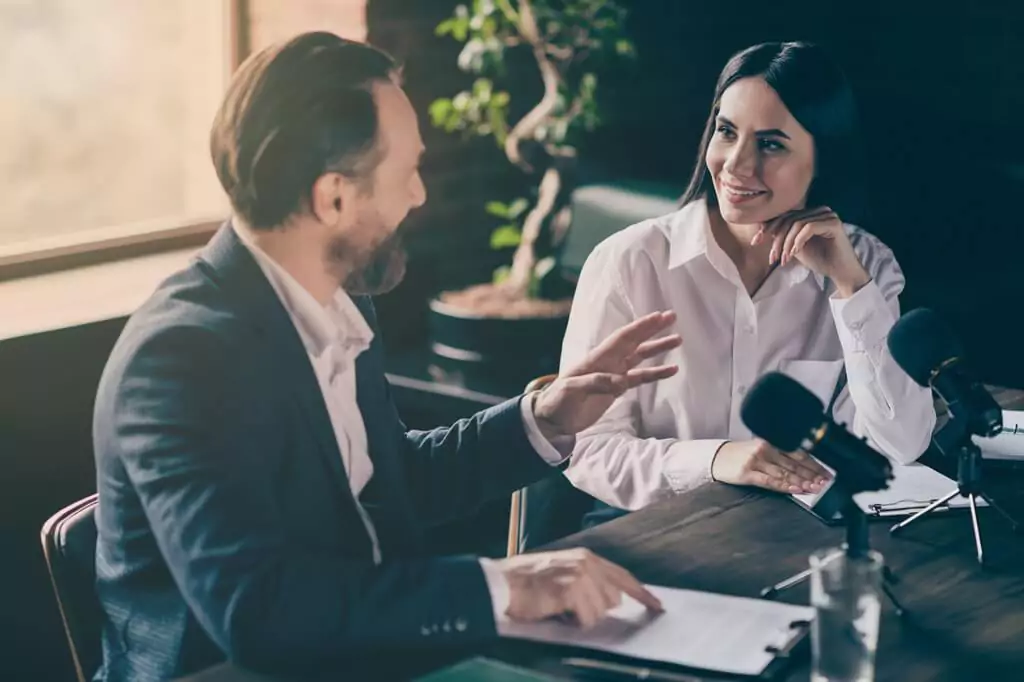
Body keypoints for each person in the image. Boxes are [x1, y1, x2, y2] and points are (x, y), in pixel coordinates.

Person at [92, 33, 680, 682]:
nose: (420, 196)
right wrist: (503, 587)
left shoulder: (338, 299)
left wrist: (546, 417)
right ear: (335, 198)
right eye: (407, 173)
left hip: (369, 654)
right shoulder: (179, 361)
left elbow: (389, 481)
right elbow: (259, 615)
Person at [559, 41, 936, 513]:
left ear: (824, 158)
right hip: (650, 530)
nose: (736, 164)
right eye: (726, 132)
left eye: (771, 144)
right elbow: (588, 451)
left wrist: (849, 288)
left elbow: (903, 443)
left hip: (793, 537)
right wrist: (717, 459)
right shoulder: (628, 263)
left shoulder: (866, 266)